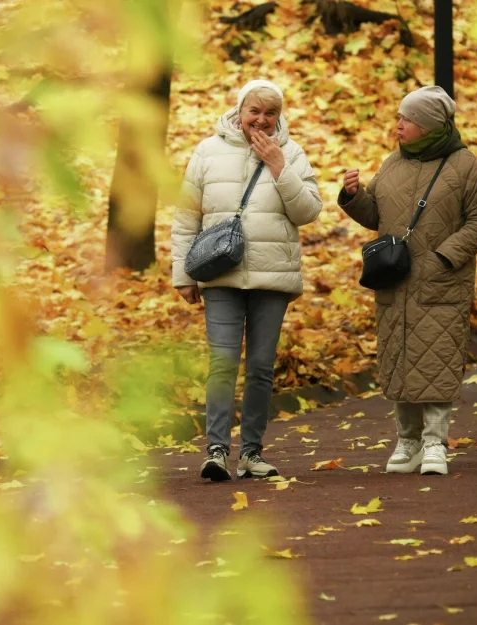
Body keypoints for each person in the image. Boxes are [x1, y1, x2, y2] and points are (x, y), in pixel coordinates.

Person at [338, 85, 477, 476]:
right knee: (399, 361)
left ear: (428, 125)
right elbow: (376, 216)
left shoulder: (464, 166)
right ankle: (407, 442)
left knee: (438, 362)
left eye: (406, 119)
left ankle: (435, 444)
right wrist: (353, 196)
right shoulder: (392, 163)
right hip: (395, 283)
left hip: (441, 284)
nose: (398, 125)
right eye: (399, 117)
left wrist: (444, 257)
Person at [171, 80, 323, 482]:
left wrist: (278, 166)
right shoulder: (208, 151)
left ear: (279, 116)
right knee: (222, 363)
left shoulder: (292, 153)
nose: (261, 119)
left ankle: (252, 453)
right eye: (254, 110)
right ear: (239, 110)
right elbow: (186, 217)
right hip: (220, 274)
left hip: (272, 277)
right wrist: (183, 274)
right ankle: (217, 451)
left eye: (270, 113)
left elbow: (308, 212)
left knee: (260, 368)